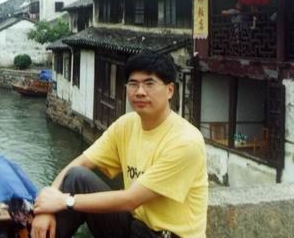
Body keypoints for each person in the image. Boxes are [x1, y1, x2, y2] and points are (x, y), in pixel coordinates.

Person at [31, 52, 208, 238]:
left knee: (70, 199)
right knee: (77, 177)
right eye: (133, 84)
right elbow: (81, 162)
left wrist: (65, 201)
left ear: (170, 90)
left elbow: (130, 200)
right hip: (134, 225)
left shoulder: (186, 141)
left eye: (149, 84)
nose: (140, 92)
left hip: (165, 235)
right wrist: (46, 206)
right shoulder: (127, 124)